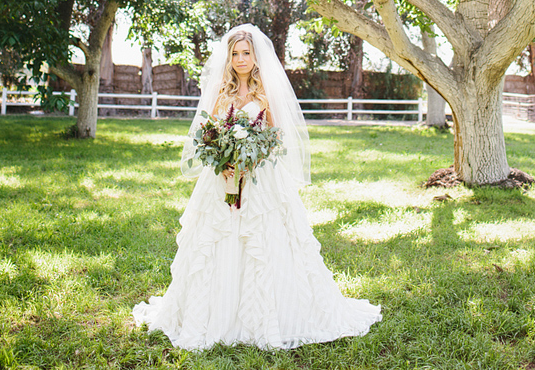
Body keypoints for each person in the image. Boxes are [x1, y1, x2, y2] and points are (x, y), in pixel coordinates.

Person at [132, 24, 382, 350]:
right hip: (224, 177)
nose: (240, 59)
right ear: (229, 57)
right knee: (214, 242)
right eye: (235, 54)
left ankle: (272, 315)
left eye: (245, 53)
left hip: (261, 178)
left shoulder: (265, 93)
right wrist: (225, 158)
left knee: (266, 243)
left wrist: (254, 155)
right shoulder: (222, 92)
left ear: (255, 56)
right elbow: (210, 132)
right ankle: (213, 315)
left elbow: (276, 136)